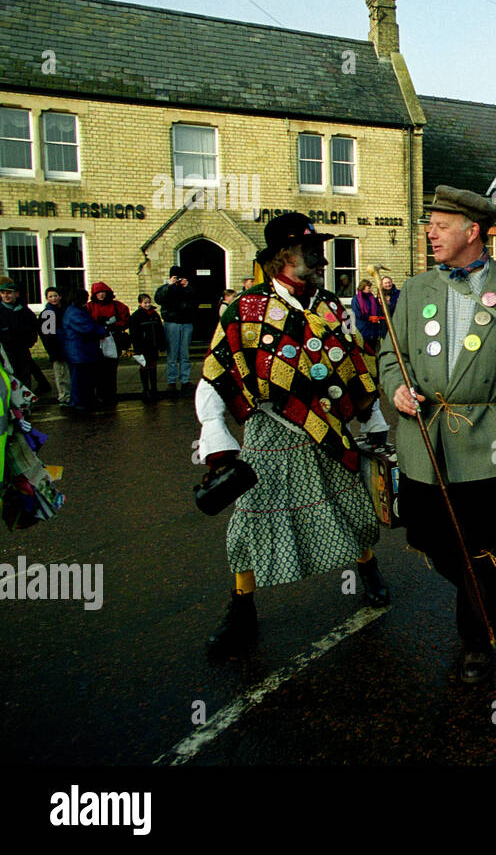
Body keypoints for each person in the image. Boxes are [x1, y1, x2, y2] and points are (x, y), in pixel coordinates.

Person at [380, 185, 496, 685]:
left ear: (473, 232)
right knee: (424, 533)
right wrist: (397, 388)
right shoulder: (415, 288)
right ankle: (477, 587)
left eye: (441, 226)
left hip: (491, 437)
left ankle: (477, 640)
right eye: (430, 225)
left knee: (481, 540)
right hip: (424, 435)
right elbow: (388, 355)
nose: (430, 233)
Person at [195, 212, 392, 657]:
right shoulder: (245, 309)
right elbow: (214, 375)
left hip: (327, 428)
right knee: (250, 522)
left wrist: (372, 415)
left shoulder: (329, 306)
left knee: (352, 508)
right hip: (271, 433)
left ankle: (370, 570)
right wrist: (217, 437)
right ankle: (242, 611)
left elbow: (355, 364)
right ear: (283, 256)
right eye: (311, 251)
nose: (321, 259)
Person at [57, 287, 105, 413]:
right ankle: (79, 402)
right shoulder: (75, 312)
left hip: (80, 351)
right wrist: (102, 329)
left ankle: (82, 401)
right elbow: (88, 328)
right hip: (80, 352)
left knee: (82, 379)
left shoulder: (74, 310)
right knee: (80, 380)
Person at [0, 276, 48, 396]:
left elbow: (34, 327)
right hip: (6, 352)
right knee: (11, 379)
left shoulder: (24, 311)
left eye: (9, 293)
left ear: (15, 294)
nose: (6, 296)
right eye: (3, 293)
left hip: (22, 350)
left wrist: (30, 341)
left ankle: (26, 404)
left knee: (25, 377)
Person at [86, 281, 130, 409]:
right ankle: (101, 395)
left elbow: (126, 319)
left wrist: (114, 325)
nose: (101, 295)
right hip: (97, 342)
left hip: (113, 341)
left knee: (111, 370)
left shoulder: (117, 306)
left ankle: (110, 395)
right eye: (98, 293)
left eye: (103, 292)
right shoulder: (90, 307)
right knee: (98, 371)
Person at [155, 266, 197, 394]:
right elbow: (159, 299)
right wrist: (169, 286)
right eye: (176, 277)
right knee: (172, 354)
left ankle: (185, 380)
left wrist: (188, 287)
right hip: (171, 323)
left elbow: (196, 301)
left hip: (186, 323)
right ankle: (171, 381)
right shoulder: (165, 288)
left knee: (185, 354)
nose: (178, 280)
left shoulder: (188, 288)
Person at [129, 293, 165, 401]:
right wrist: (137, 348)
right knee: (144, 366)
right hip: (143, 346)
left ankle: (154, 389)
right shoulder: (136, 316)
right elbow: (134, 334)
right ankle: (146, 390)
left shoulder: (154, 315)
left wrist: (161, 343)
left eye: (149, 302)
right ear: (140, 303)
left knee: (153, 366)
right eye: (145, 303)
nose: (148, 304)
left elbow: (160, 330)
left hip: (153, 345)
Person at [39, 287, 71, 407]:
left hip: (68, 346)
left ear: (60, 296)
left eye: (55, 295)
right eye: (50, 296)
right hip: (57, 349)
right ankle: (64, 396)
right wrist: (54, 352)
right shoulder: (48, 314)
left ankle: (71, 395)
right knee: (61, 374)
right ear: (47, 298)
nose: (53, 298)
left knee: (69, 373)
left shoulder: (65, 310)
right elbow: (47, 336)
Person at [351, 278, 385, 349]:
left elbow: (376, 309)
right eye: (368, 288)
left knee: (373, 347)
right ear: (363, 287)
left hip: (373, 328)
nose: (370, 289)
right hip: (362, 327)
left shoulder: (371, 298)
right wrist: (369, 318)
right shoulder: (356, 299)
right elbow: (357, 313)